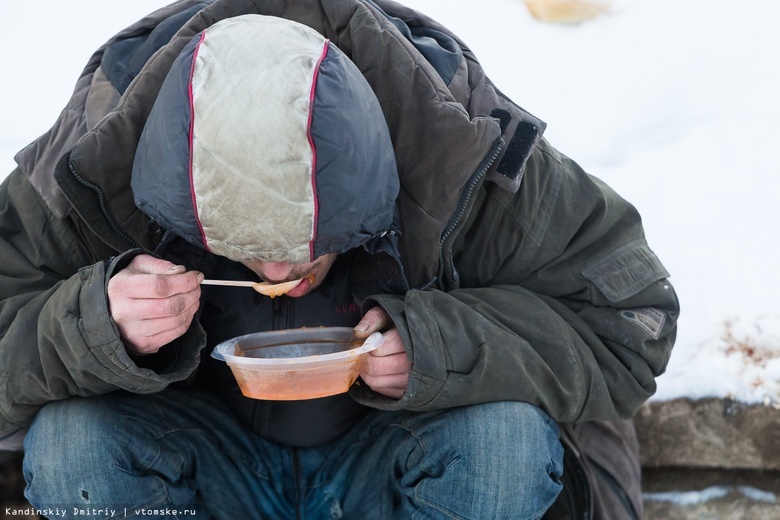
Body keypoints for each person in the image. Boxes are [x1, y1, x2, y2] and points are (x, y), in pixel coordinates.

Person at [0, 0, 679, 518]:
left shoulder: (462, 145)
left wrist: (438, 347)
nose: (276, 276)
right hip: (199, 458)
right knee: (74, 444)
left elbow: (630, 327)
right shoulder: (95, 159)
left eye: (306, 247)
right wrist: (92, 324)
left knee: (501, 444)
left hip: (402, 457)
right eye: (242, 249)